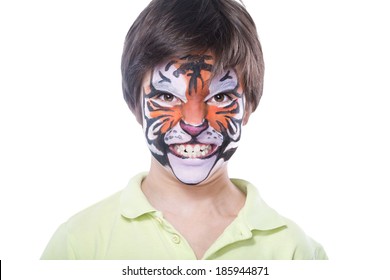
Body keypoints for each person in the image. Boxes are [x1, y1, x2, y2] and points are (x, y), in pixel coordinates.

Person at [41, 0, 327, 260]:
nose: (193, 122)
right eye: (166, 97)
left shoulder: (296, 252)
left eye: (219, 97)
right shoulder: (78, 245)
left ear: (248, 106)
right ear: (135, 106)